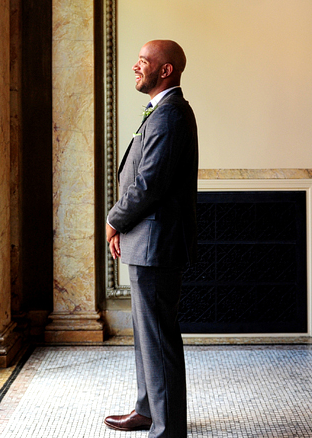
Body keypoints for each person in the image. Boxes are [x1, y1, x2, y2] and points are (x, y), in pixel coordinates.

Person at [104, 40, 199, 438]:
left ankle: (168, 430)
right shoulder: (162, 111)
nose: (134, 67)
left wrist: (114, 220)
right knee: (147, 334)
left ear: (166, 71)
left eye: (143, 62)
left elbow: (149, 184)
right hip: (147, 239)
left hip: (157, 244)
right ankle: (147, 411)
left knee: (158, 338)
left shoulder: (170, 114)